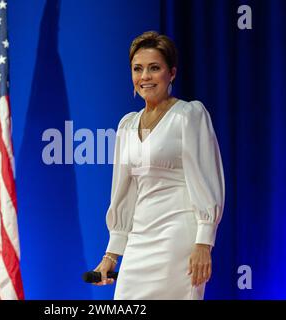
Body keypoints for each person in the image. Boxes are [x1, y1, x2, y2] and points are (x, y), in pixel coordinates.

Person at [92, 31, 225, 299]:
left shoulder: (189, 115)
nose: (145, 77)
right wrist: (112, 254)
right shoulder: (127, 124)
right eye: (138, 69)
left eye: (154, 68)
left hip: (178, 240)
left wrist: (203, 242)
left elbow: (206, 180)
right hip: (139, 241)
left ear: (171, 73)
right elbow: (124, 193)